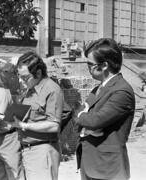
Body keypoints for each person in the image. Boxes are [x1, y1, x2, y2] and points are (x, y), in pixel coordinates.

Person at [75, 38, 135, 180]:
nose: (88, 67)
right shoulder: (99, 87)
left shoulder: (122, 91)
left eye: (90, 64)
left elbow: (94, 121)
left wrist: (81, 118)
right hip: (90, 164)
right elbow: (84, 111)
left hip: (108, 170)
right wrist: (86, 120)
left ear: (104, 65)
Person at [11, 51, 63, 180]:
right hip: (26, 150)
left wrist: (24, 125)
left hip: (42, 150)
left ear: (38, 73)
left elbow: (53, 125)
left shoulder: (52, 89)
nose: (21, 80)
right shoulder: (30, 89)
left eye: (25, 77)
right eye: (19, 76)